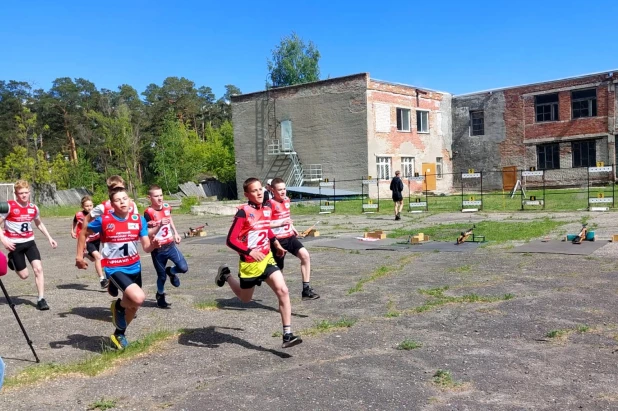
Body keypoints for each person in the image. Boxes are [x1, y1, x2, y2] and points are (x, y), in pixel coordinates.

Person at [215, 177, 302, 349]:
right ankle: (226, 274)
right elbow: (230, 240)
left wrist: (275, 243)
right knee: (245, 298)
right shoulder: (244, 212)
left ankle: (287, 334)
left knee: (283, 290)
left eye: (260, 189)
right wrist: (249, 251)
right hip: (249, 262)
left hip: (267, 257)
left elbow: (265, 228)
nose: (259, 192)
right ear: (247, 194)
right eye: (254, 191)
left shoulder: (267, 209)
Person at [79, 186, 161, 349]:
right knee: (139, 297)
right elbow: (83, 232)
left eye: (125, 198)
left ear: (130, 201)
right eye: (117, 200)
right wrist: (78, 256)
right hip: (114, 267)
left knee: (133, 305)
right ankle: (117, 306)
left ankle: (119, 334)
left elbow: (145, 247)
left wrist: (153, 245)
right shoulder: (105, 220)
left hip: (134, 267)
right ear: (111, 204)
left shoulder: (139, 220)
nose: (122, 202)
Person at [75, 175, 139, 296]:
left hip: (130, 250)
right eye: (116, 189)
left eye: (122, 188)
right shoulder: (103, 207)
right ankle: (122, 303)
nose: (120, 192)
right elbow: (86, 220)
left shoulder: (132, 205)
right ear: (110, 191)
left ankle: (123, 303)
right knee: (127, 290)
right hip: (112, 252)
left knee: (131, 286)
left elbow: (136, 224)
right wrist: (82, 243)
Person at [0, 180, 57, 310]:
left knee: (38, 269)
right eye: (21, 193)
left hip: (30, 242)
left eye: (26, 192)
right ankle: (12, 261)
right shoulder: (9, 207)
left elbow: (39, 224)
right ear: (16, 194)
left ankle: (41, 299)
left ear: (29, 193)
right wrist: (3, 239)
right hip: (15, 245)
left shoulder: (33, 208)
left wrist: (50, 238)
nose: (24, 195)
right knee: (24, 276)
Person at [266, 178, 319, 300]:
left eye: (284, 189)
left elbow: (287, 217)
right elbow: (265, 224)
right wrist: (281, 223)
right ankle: (282, 297)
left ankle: (306, 290)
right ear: (273, 190)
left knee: (305, 256)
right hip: (277, 241)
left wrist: (292, 227)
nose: (283, 192)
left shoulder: (287, 200)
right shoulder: (269, 204)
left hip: (289, 237)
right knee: (279, 271)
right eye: (280, 190)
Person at [144, 185, 188, 308]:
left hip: (170, 244)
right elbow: (146, 232)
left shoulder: (167, 207)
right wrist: (158, 226)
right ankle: (160, 294)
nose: (159, 198)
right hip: (158, 249)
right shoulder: (148, 213)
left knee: (183, 267)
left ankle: (171, 271)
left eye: (161, 195)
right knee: (161, 276)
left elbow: (169, 219)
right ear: (150, 197)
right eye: (156, 196)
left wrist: (176, 233)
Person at [72, 196, 107, 288]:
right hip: (88, 240)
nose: (89, 207)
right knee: (98, 257)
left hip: (97, 238)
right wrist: (72, 230)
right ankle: (102, 280)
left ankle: (85, 255)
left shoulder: (96, 213)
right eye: (87, 206)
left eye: (91, 205)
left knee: (93, 259)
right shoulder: (79, 215)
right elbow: (74, 221)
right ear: (83, 206)